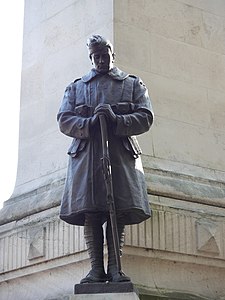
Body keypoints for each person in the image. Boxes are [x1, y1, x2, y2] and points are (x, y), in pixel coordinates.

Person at [57, 35, 154, 283]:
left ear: (113, 55)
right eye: (96, 56)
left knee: (117, 211)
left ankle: (115, 267)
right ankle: (96, 270)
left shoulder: (133, 84)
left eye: (105, 55)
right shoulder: (76, 87)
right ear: (91, 58)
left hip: (119, 154)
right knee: (92, 212)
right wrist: (89, 123)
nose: (101, 60)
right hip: (87, 156)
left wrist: (116, 119)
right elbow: (64, 119)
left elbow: (145, 116)